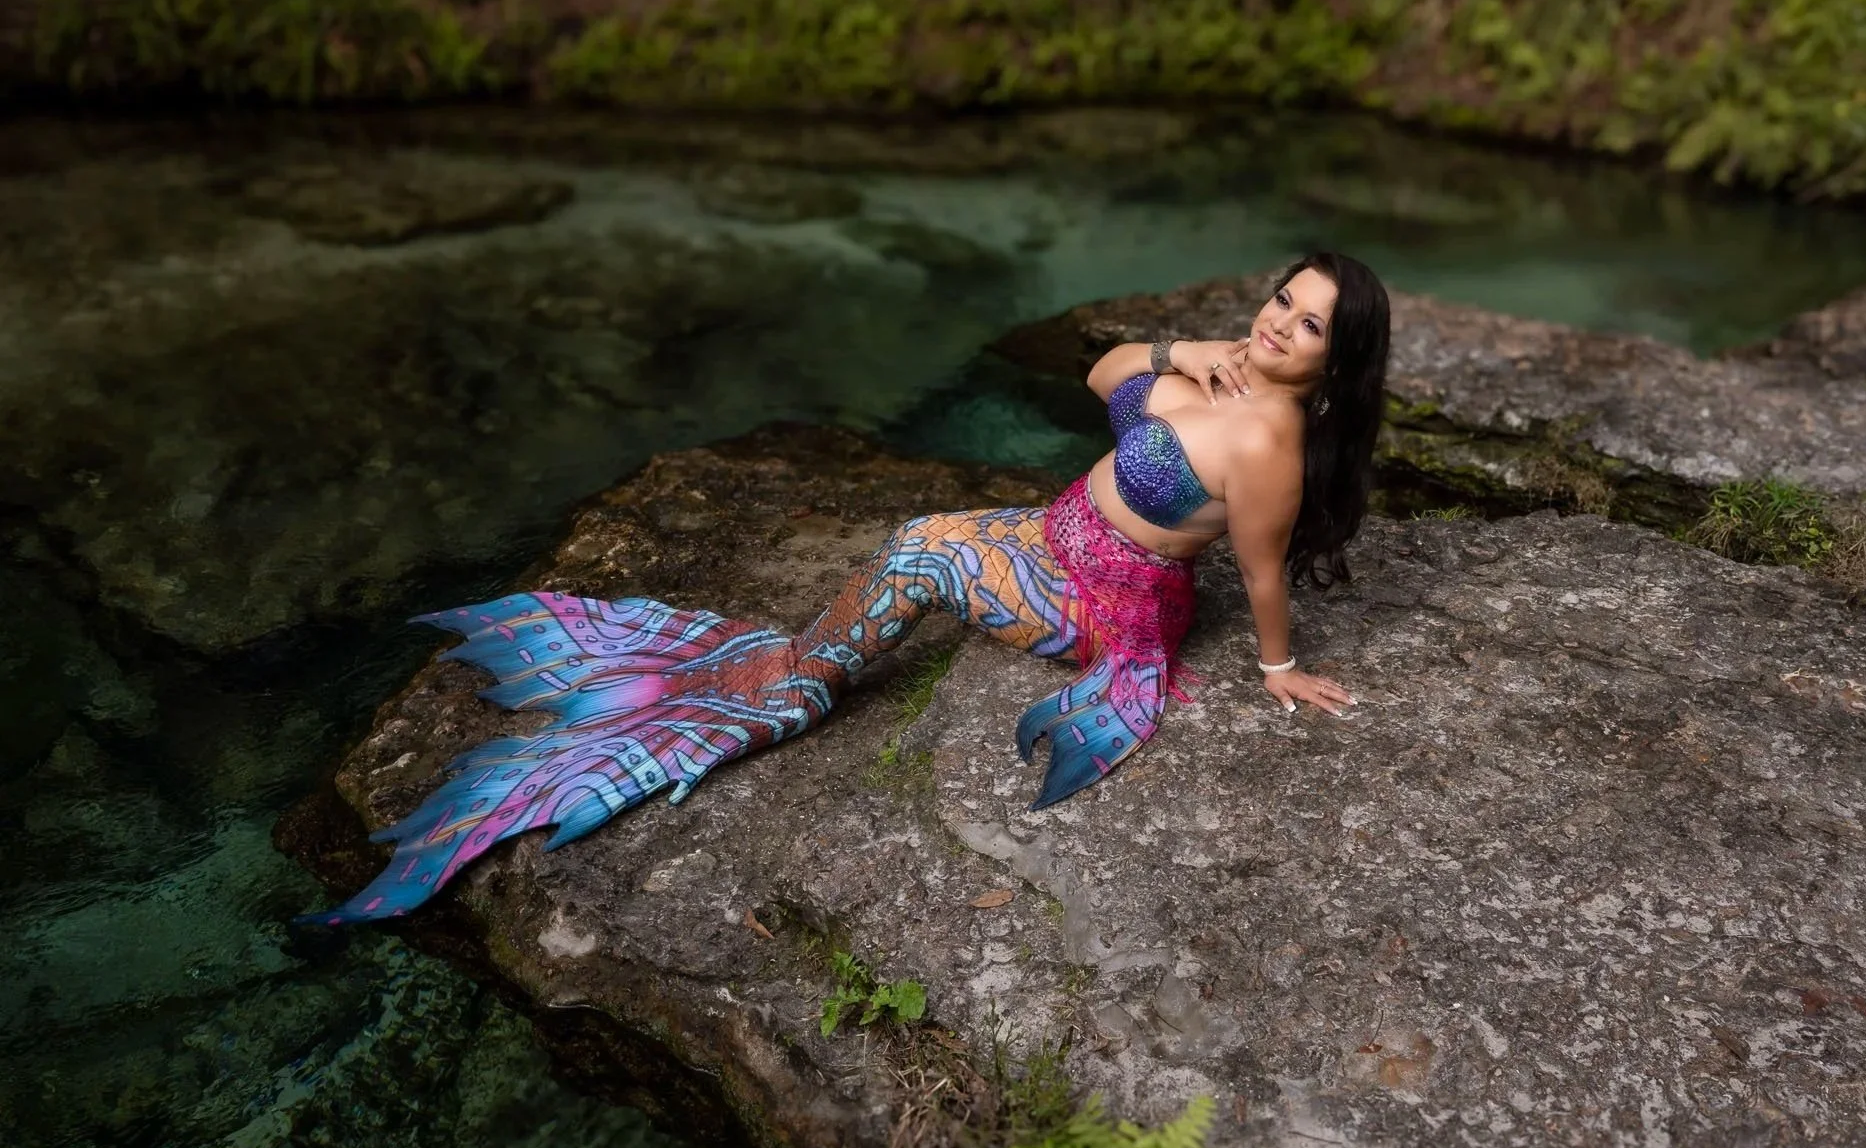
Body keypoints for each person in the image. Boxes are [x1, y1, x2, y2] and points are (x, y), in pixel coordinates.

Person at [312, 251, 1393, 925]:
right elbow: (1101, 374)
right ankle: (795, 660)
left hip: (1106, 601)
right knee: (918, 534)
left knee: (919, 552)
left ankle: (798, 684)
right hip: (1052, 534)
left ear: (1336, 361)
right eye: (1280, 299)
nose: (1276, 322)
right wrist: (1188, 346)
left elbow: (1259, 569)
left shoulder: (1268, 442)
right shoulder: (1225, 367)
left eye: (1307, 324)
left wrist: (1279, 667)